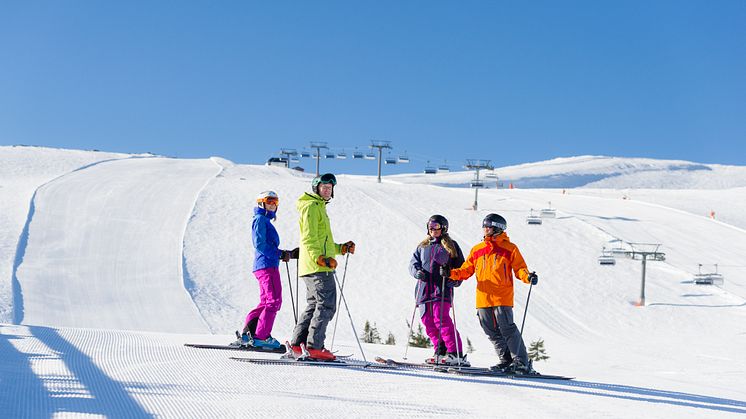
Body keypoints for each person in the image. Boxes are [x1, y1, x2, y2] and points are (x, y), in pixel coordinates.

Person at [440, 213, 539, 374]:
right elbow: (466, 270)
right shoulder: (478, 249)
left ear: (498, 228)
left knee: (507, 329)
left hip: (502, 296)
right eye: (484, 226)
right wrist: (450, 273)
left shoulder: (510, 248)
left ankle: (521, 361)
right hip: (483, 297)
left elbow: (520, 268)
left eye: (488, 226)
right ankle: (506, 360)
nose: (485, 229)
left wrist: (528, 277)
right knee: (490, 331)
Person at [289, 173, 355, 361]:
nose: (327, 189)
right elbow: (309, 239)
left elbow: (322, 242)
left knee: (314, 305)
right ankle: (314, 347)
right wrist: (319, 258)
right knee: (326, 304)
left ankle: (298, 344)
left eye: (330, 187)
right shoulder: (311, 207)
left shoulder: (317, 207)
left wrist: (340, 248)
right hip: (316, 266)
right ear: (316, 188)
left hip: (310, 265)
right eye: (323, 187)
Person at [235, 190, 298, 350]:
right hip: (267, 265)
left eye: (275, 202)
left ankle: (248, 334)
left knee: (265, 301)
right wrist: (279, 253)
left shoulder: (263, 220)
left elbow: (266, 246)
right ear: (261, 203)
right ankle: (262, 337)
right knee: (274, 301)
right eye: (269, 201)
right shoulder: (260, 220)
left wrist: (287, 253)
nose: (272, 205)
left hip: (264, 265)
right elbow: (261, 245)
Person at [409, 215, 468, 366]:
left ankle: (456, 354)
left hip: (441, 289)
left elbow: (461, 267)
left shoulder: (451, 246)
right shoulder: (422, 246)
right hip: (424, 290)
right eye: (430, 226)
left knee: (441, 319)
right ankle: (440, 351)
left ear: (444, 228)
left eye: (436, 226)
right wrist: (417, 272)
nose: (432, 229)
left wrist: (452, 277)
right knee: (427, 320)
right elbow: (413, 264)